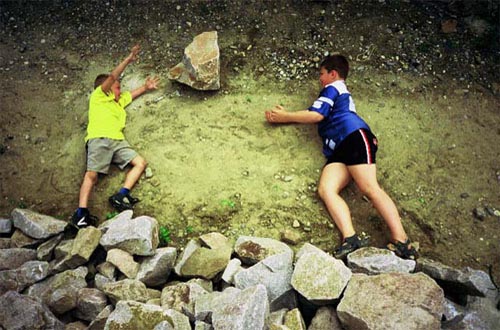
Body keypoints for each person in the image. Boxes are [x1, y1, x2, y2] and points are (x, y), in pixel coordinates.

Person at [265, 54, 417, 260]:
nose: (320, 78)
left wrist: (285, 117)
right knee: (326, 189)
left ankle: (402, 241)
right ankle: (350, 238)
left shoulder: (333, 88)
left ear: (333, 73)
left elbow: (316, 115)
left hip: (353, 136)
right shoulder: (338, 92)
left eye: (321, 73)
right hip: (341, 146)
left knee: (369, 188)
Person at [71, 45, 160, 228]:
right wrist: (128, 59)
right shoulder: (99, 97)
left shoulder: (118, 102)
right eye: (118, 88)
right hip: (100, 138)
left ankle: (122, 195)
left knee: (140, 163)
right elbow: (113, 77)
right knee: (92, 175)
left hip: (118, 141)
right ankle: (80, 213)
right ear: (109, 88)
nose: (120, 91)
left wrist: (146, 87)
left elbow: (132, 95)